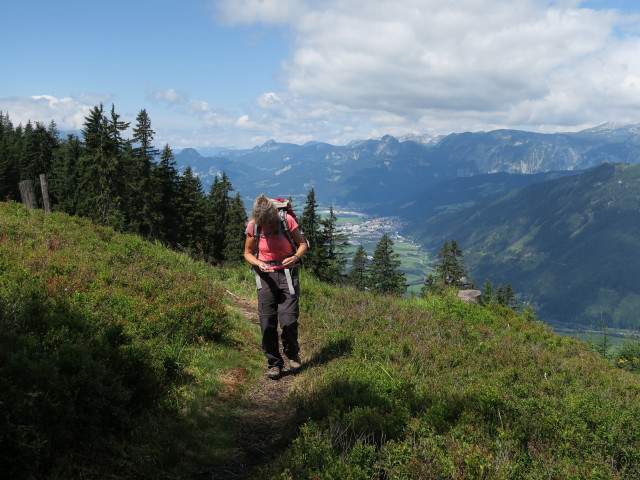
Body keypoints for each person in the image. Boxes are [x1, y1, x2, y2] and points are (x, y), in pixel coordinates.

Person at [244, 194, 308, 380]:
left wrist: (295, 257)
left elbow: (302, 244)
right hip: (265, 277)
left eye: (270, 222)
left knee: (288, 320)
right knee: (267, 323)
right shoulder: (254, 226)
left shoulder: (286, 220)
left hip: (288, 275)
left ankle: (293, 354)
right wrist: (257, 262)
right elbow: (247, 252)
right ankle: (274, 363)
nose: (269, 225)